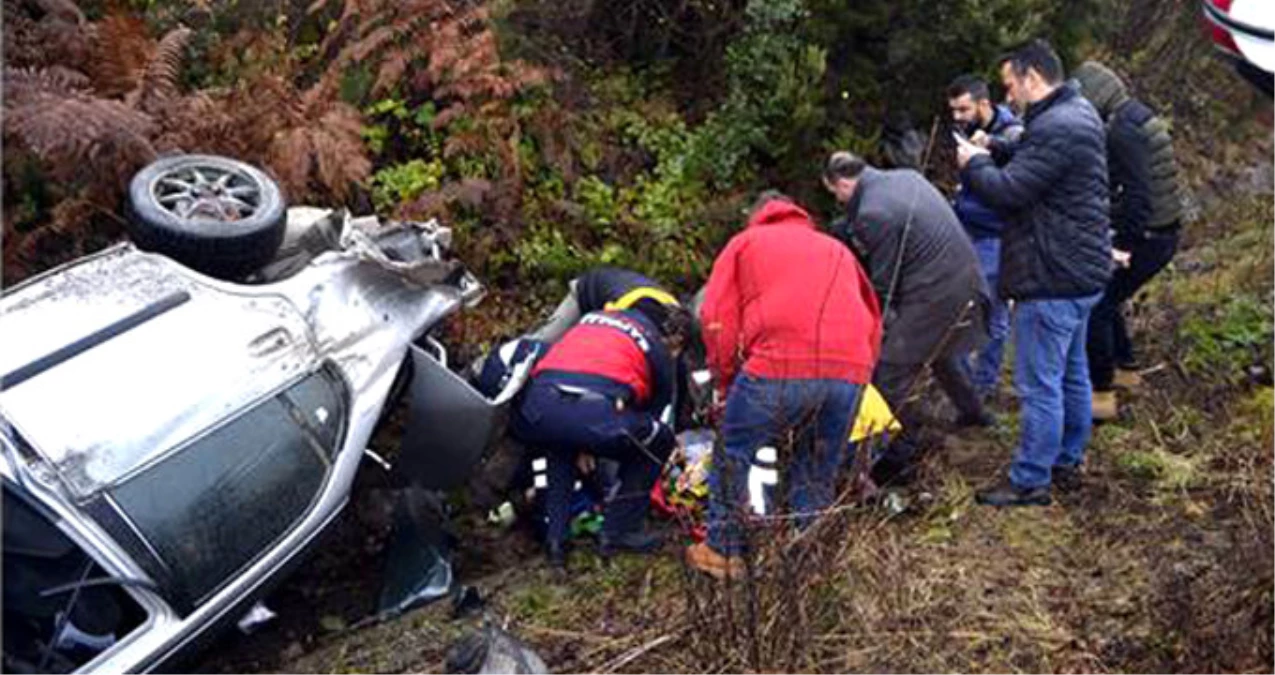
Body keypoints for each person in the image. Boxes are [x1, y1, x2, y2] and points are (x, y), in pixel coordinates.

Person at [685, 192, 881, 579]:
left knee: (734, 451)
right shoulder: (837, 249)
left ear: (755, 217)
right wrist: (859, 373)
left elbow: (716, 316)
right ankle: (804, 557)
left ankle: (723, 550)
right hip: (850, 372)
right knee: (816, 468)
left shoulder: (745, 243)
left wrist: (725, 380)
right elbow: (872, 318)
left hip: (778, 365)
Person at [956, 39, 1112, 506]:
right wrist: (997, 144)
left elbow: (1009, 191)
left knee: (1039, 384)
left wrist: (974, 163)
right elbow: (1029, 147)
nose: (1008, 99)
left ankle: (1030, 479)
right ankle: (1066, 458)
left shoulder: (1059, 125)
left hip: (1051, 276)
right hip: (1079, 273)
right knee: (1071, 375)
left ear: (1033, 78)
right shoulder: (1075, 112)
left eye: (1010, 86)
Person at [509, 298, 692, 568]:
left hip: (535, 408)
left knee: (560, 445)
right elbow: (654, 411)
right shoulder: (654, 342)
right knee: (659, 439)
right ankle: (619, 531)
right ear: (670, 335)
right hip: (592, 412)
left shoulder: (592, 318)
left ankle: (556, 542)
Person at [823, 152, 993, 438]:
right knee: (938, 352)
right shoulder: (907, 177)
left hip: (935, 289)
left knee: (891, 368)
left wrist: (870, 328)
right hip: (965, 277)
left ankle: (894, 446)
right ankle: (975, 413)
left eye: (835, 195)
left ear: (841, 184)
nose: (839, 202)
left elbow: (883, 286)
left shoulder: (872, 213)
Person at [1072, 60, 1183, 421]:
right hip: (1162, 232)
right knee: (1112, 297)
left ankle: (1101, 394)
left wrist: (1123, 243)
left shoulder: (1121, 131)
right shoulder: (1133, 115)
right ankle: (1126, 369)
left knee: (1098, 305)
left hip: (1149, 237)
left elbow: (1138, 195)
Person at [947, 74, 1025, 401]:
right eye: (953, 110)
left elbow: (1011, 188)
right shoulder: (967, 129)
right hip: (968, 229)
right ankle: (965, 383)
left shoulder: (1012, 135)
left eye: (963, 109)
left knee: (991, 311)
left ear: (983, 104)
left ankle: (982, 385)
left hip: (995, 235)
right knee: (964, 309)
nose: (957, 117)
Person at [526, 266, 680, 344]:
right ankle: (509, 362)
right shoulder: (622, 307)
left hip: (616, 287)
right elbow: (603, 333)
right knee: (543, 342)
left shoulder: (675, 310)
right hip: (583, 293)